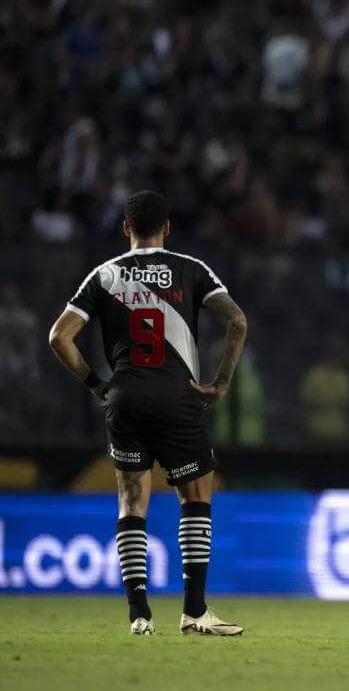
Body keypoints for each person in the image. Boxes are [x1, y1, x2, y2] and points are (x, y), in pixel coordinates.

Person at [47, 190, 249, 637]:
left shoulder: (104, 275)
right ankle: (195, 611)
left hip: (125, 398)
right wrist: (220, 384)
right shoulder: (192, 270)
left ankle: (139, 615)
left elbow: (59, 337)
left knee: (130, 503)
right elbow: (237, 322)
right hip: (178, 398)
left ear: (125, 229)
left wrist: (97, 384)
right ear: (168, 227)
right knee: (194, 500)